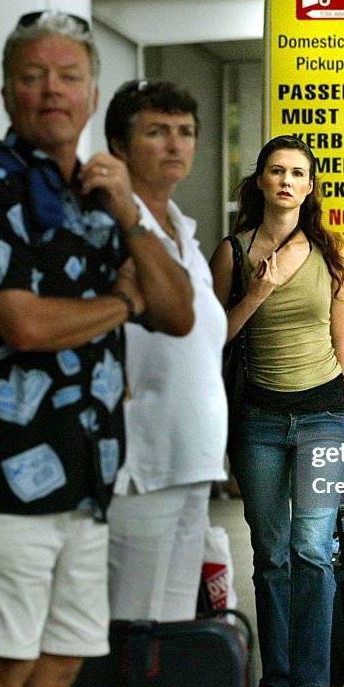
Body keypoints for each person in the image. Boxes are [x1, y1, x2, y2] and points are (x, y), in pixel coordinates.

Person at [0, 12, 193, 687]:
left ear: (89, 94)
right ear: (6, 94)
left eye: (69, 76)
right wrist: (120, 306)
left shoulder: (102, 195)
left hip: (85, 481)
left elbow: (179, 313)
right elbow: (22, 325)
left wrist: (132, 218)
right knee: (1, 671)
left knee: (61, 664)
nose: (52, 90)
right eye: (33, 75)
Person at [209, 135, 344, 687]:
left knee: (312, 550)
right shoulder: (233, 252)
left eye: (298, 172)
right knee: (270, 556)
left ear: (310, 187)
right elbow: (210, 336)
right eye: (276, 171)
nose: (287, 180)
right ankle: (277, 681)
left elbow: (343, 343)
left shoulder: (332, 251)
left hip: (322, 415)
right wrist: (258, 290)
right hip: (260, 420)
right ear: (260, 182)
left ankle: (313, 680)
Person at [103, 79, 228, 620]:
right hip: (138, 461)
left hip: (193, 456)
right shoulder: (107, 229)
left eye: (186, 132)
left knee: (176, 624)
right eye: (157, 132)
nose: (176, 144)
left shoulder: (185, 233)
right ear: (121, 147)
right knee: (130, 623)